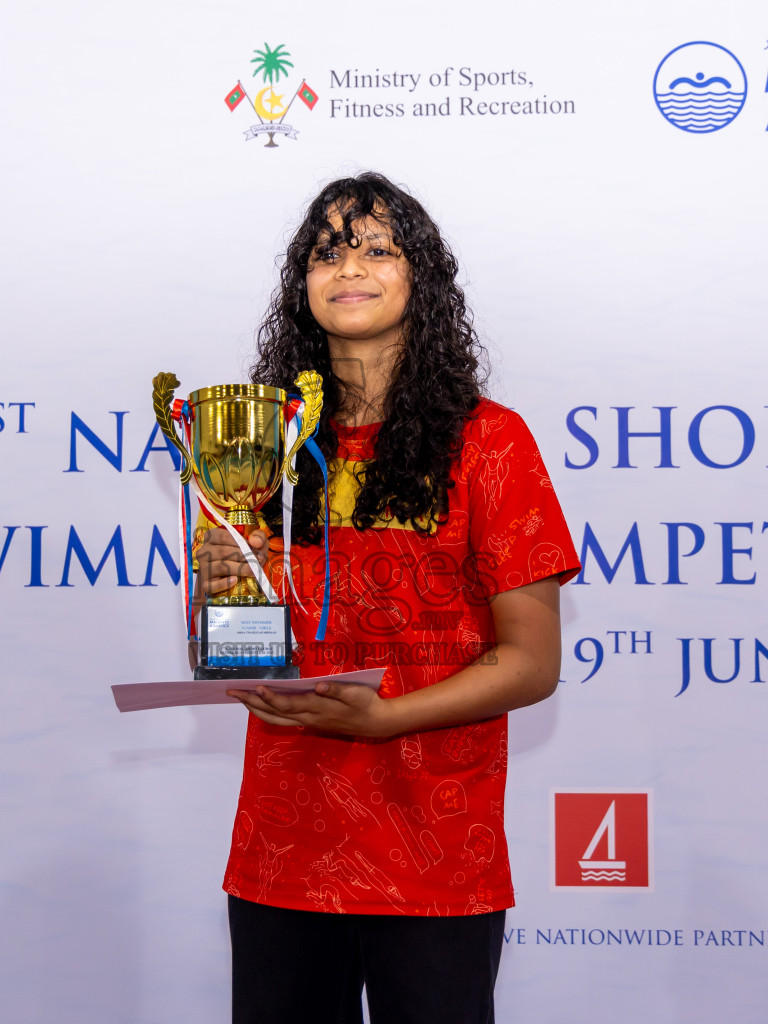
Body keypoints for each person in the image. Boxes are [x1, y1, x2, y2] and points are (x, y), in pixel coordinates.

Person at [194, 172, 580, 1024]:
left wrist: (387, 719)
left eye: (377, 248)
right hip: (284, 851)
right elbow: (240, 655)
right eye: (326, 252)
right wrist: (227, 588)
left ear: (421, 280)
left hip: (435, 851)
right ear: (301, 284)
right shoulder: (263, 446)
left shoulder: (489, 441)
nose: (349, 268)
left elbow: (532, 662)